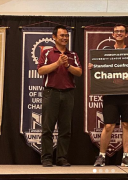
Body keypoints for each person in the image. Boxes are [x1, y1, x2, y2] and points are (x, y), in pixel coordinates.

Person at [89, 24, 128, 167]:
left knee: (127, 124)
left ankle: (126, 157)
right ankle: (101, 156)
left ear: (126, 35)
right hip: (110, 94)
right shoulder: (106, 51)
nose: (119, 33)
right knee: (109, 125)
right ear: (112, 35)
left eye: (121, 31)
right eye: (116, 31)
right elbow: (98, 70)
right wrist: (93, 67)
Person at [37, 25, 82, 167]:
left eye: (66, 36)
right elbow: (41, 71)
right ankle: (47, 158)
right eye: (61, 35)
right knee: (47, 128)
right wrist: (57, 63)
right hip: (51, 93)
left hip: (68, 93)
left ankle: (61, 158)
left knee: (65, 129)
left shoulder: (72, 55)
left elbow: (79, 72)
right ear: (54, 37)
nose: (64, 38)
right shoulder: (47, 53)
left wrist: (67, 65)